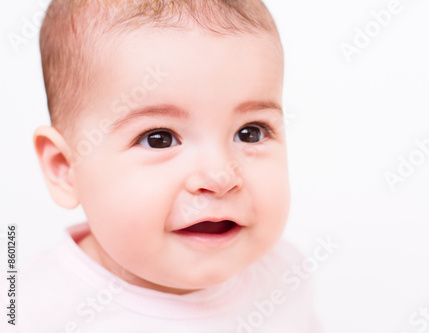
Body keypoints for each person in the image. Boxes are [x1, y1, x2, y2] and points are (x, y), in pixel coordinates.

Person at [18, 0, 323, 331]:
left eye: (250, 133)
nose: (220, 177)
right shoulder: (33, 311)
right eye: (159, 138)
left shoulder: (283, 276)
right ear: (65, 167)